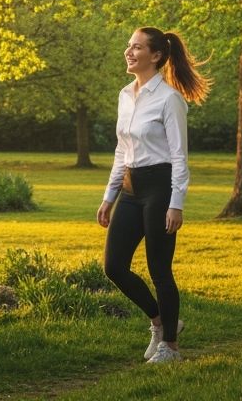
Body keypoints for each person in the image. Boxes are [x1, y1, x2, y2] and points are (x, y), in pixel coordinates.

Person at [96, 26, 211, 364]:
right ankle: (160, 322)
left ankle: (171, 347)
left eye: (137, 47)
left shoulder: (170, 99)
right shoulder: (124, 95)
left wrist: (176, 203)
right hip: (131, 189)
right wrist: (109, 196)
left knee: (159, 270)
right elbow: (122, 150)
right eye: (128, 46)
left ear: (156, 55)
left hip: (160, 188)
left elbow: (179, 156)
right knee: (114, 266)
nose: (129, 52)